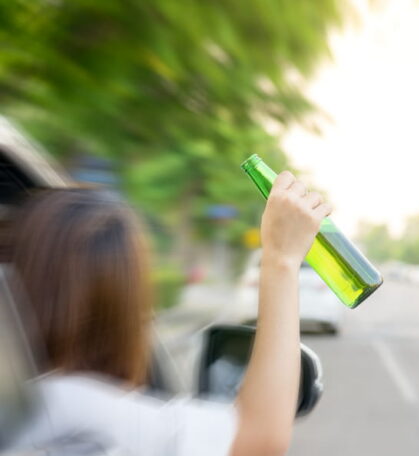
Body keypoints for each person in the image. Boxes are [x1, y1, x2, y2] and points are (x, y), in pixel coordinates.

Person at [9, 171, 331, 456]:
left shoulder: (27, 406)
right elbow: (259, 437)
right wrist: (281, 259)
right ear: (117, 315)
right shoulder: (67, 405)